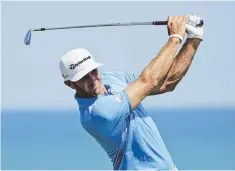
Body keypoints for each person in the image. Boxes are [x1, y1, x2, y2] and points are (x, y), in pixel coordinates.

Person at [59, 14, 203, 170]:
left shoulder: (112, 79)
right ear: (70, 84)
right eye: (83, 77)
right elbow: (148, 81)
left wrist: (193, 38)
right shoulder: (96, 114)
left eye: (93, 71)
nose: (93, 78)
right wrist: (175, 37)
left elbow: (165, 83)